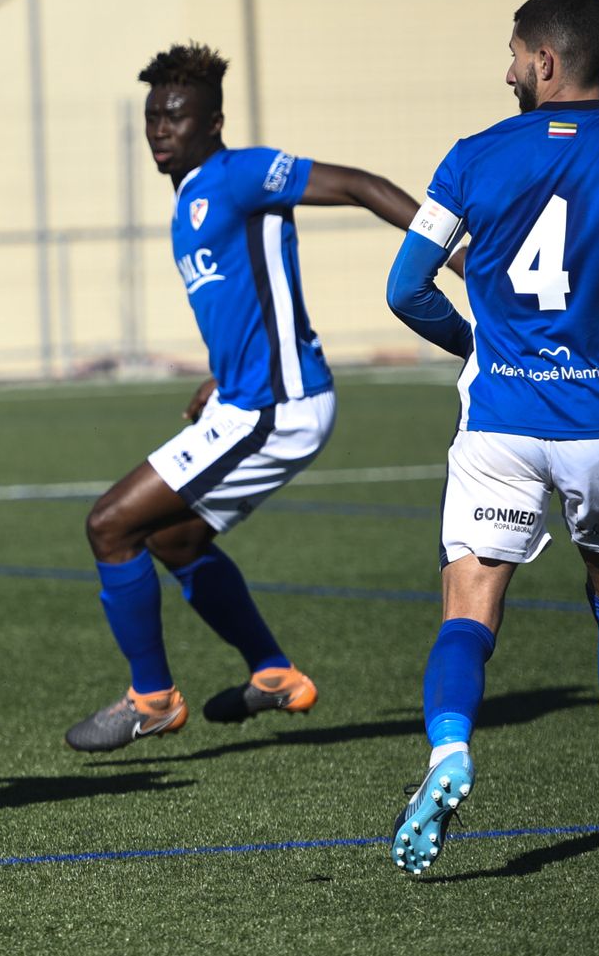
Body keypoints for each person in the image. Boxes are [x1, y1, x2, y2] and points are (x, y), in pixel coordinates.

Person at [384, 0, 599, 874]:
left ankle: (449, 751)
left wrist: (471, 342)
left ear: (547, 62)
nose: (508, 68)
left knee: (469, 599)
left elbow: (406, 288)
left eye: (516, 53)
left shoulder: (473, 156)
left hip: (500, 424)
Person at [65, 43, 424, 752]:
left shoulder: (239, 172)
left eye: (176, 116)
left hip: (277, 407)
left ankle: (153, 699)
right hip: (247, 397)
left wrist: (453, 253)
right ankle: (274, 674)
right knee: (173, 537)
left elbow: (358, 183)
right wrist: (221, 374)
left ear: (213, 121)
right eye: (152, 118)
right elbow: (248, 300)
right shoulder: (195, 195)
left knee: (109, 524)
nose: (160, 129)